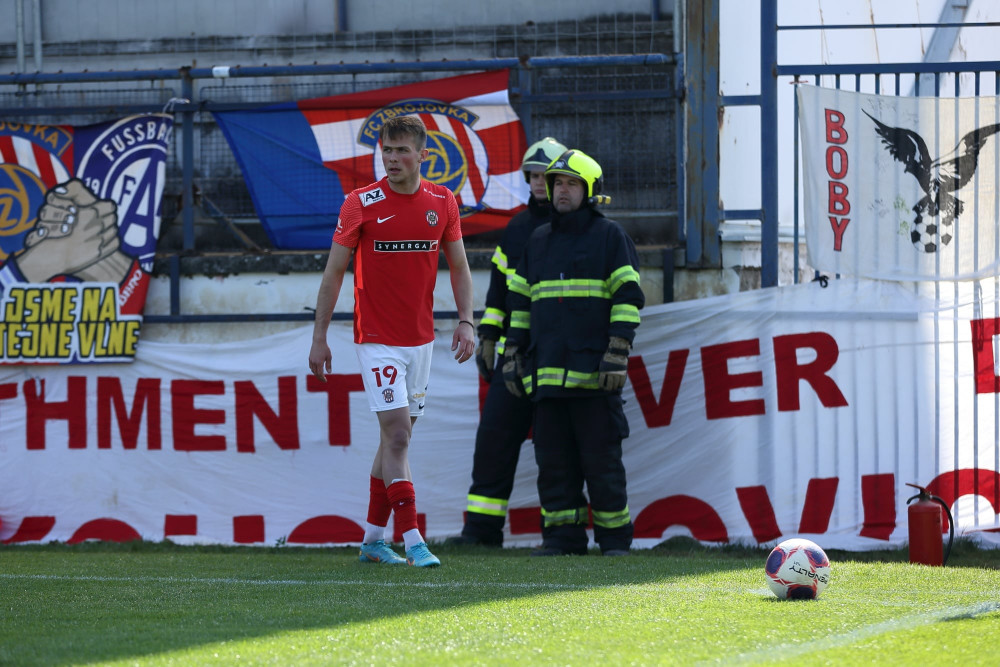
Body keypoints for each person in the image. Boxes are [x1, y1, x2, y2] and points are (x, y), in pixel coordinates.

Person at [308, 114, 476, 568]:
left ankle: (371, 540)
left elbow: (459, 266)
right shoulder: (360, 202)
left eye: (402, 150)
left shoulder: (443, 202)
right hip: (376, 339)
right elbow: (333, 273)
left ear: (424, 155)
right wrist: (320, 336)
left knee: (392, 443)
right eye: (387, 149)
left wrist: (466, 321)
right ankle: (414, 539)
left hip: (420, 341)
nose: (393, 157)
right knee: (398, 435)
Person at [503, 149, 644, 557]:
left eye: (571, 184)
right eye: (556, 183)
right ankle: (562, 539)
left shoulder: (610, 237)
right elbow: (520, 303)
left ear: (591, 190)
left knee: (603, 466)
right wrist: (512, 352)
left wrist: (618, 351)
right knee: (554, 467)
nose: (561, 191)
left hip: (595, 379)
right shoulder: (538, 240)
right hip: (546, 379)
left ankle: (615, 541)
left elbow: (628, 297)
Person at [449, 137, 580, 547]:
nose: (541, 183)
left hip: (559, 356)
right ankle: (481, 531)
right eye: (534, 176)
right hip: (514, 355)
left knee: (556, 449)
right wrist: (488, 335)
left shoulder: (583, 228)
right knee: (494, 440)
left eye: (547, 176)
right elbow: (499, 292)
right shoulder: (518, 228)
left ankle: (560, 535)